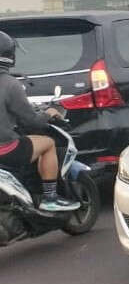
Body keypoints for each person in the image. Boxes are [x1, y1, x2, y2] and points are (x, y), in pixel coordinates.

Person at [0, 31, 78, 212]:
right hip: (5, 148)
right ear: (9, 54)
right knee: (48, 143)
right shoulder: (10, 84)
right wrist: (48, 114)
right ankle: (50, 198)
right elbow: (31, 121)